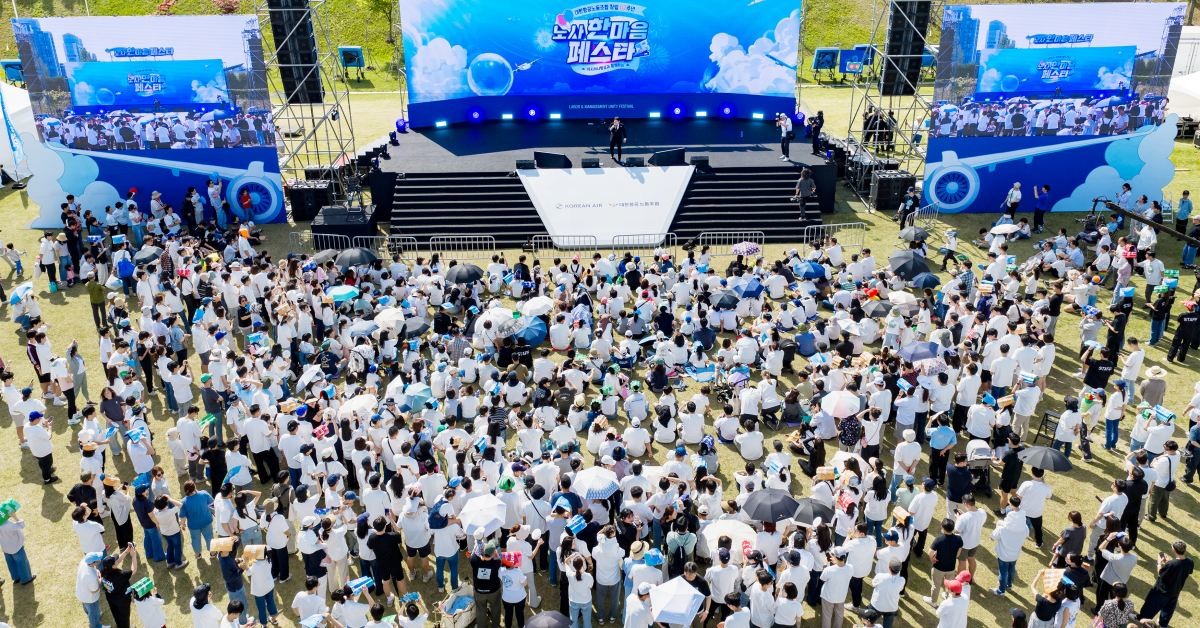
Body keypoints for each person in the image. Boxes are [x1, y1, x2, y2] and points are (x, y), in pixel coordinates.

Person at [1138, 540, 1194, 626]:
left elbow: (1161, 574)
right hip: (1175, 592)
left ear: (1174, 550)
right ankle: (1162, 625)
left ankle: (1141, 619)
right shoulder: (1190, 562)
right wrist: (1168, 563)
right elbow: (1183, 570)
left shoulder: (1172, 564)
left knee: (1149, 608)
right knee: (1167, 612)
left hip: (1161, 592)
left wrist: (1159, 563)